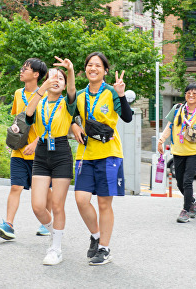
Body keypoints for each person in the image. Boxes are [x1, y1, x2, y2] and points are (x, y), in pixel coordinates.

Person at [70, 52, 132, 266]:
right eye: (89, 65)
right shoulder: (79, 94)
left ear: (105, 70)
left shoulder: (111, 92)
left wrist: (121, 95)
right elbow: (70, 115)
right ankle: (96, 236)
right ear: (85, 69)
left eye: (97, 65)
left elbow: (127, 117)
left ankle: (105, 248)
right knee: (81, 200)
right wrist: (74, 125)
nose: (93, 68)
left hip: (109, 154)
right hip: (85, 154)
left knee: (104, 204)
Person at [0, 58, 52, 240]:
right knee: (16, 187)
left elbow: (51, 125)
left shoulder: (48, 95)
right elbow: (17, 119)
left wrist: (35, 143)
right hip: (19, 152)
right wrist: (13, 140)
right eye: (22, 68)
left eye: (26, 69)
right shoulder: (18, 93)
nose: (21, 71)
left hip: (39, 153)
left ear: (36, 74)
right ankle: (8, 225)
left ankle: (47, 222)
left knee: (43, 191)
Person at [25, 57, 76, 265]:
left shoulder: (67, 103)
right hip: (42, 151)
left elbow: (72, 90)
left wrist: (70, 71)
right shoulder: (39, 102)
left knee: (57, 204)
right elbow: (28, 115)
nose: (57, 80)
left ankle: (56, 248)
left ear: (64, 85)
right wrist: (42, 89)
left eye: (60, 79)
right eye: (53, 77)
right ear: (46, 81)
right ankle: (56, 232)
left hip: (62, 151)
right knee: (38, 206)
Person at [158, 83, 196, 223]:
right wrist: (161, 140)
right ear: (185, 95)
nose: (191, 95)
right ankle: (192, 201)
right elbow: (169, 126)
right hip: (178, 151)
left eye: (194, 93)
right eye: (188, 93)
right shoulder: (177, 109)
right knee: (179, 182)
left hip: (194, 152)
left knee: (187, 181)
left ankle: (185, 210)